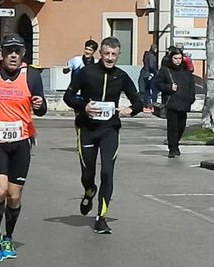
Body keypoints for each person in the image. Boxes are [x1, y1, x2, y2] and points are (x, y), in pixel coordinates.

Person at [0, 33, 47, 263]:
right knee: (0, 191)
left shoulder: (32, 75)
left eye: (18, 51)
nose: (13, 55)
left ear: (23, 54)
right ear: (2, 53)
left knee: (14, 196)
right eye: (9, 51)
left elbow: (40, 108)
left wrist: (40, 104)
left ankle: (8, 237)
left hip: (21, 142)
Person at [63, 37, 143, 234]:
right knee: (88, 173)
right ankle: (89, 191)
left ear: (118, 55)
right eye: (106, 54)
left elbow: (138, 102)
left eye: (113, 55)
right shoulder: (86, 72)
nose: (109, 58)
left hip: (109, 130)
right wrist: (84, 106)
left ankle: (101, 218)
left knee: (107, 172)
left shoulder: (121, 76)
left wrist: (129, 110)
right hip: (87, 129)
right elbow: (68, 97)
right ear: (101, 53)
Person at [154, 46, 195, 158]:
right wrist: (169, 87)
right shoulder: (165, 70)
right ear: (171, 58)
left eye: (180, 58)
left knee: (181, 126)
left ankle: (175, 143)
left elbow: (191, 85)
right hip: (171, 102)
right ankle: (173, 148)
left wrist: (191, 98)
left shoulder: (186, 71)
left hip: (184, 103)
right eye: (175, 58)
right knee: (173, 127)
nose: (178, 61)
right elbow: (157, 84)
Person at [138, 44, 158, 112]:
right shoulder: (151, 56)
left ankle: (146, 105)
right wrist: (155, 72)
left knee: (146, 90)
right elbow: (151, 66)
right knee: (152, 90)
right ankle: (150, 105)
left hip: (145, 74)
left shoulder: (147, 55)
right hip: (149, 74)